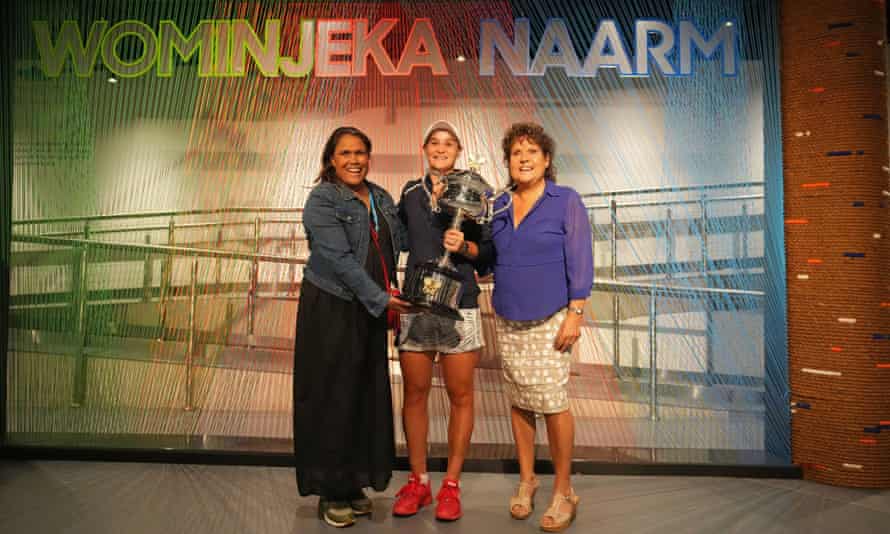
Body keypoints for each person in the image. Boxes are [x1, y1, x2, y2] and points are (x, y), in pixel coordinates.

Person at [293, 126, 413, 528]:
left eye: (361, 152)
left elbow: (402, 240)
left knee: (365, 395)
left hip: (370, 309)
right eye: (345, 153)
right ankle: (331, 489)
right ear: (331, 159)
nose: (354, 160)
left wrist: (433, 201)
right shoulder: (323, 199)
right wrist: (381, 298)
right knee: (333, 397)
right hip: (332, 307)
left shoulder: (379, 196)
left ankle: (356, 482)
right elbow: (341, 261)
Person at [489, 122, 593, 532]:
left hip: (552, 316)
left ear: (547, 160)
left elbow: (581, 256)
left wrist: (576, 311)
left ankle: (563, 489)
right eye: (517, 153)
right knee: (519, 398)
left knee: (552, 401)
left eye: (532, 151)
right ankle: (528, 480)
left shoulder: (565, 200)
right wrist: (463, 244)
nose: (524, 158)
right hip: (508, 314)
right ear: (508, 162)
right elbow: (487, 260)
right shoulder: (497, 204)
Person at [391, 120, 494, 521]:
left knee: (460, 395)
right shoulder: (410, 193)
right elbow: (399, 241)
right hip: (418, 303)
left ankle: (451, 484)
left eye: (448, 143)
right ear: (423, 147)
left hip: (461, 303)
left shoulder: (477, 192)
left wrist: (465, 245)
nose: (440, 148)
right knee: (414, 392)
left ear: (459, 149)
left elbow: (488, 255)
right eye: (434, 142)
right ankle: (419, 481)